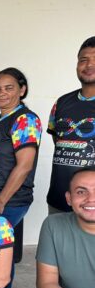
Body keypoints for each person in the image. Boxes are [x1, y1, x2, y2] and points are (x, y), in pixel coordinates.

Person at [0, 68, 42, 231]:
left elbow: (25, 165)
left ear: (22, 90)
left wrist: (0, 202)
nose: (1, 93)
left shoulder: (25, 119)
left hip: (8, 202)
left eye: (8, 88)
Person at [47, 36, 95, 214]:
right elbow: (59, 141)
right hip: (59, 201)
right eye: (83, 60)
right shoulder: (61, 103)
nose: (89, 65)